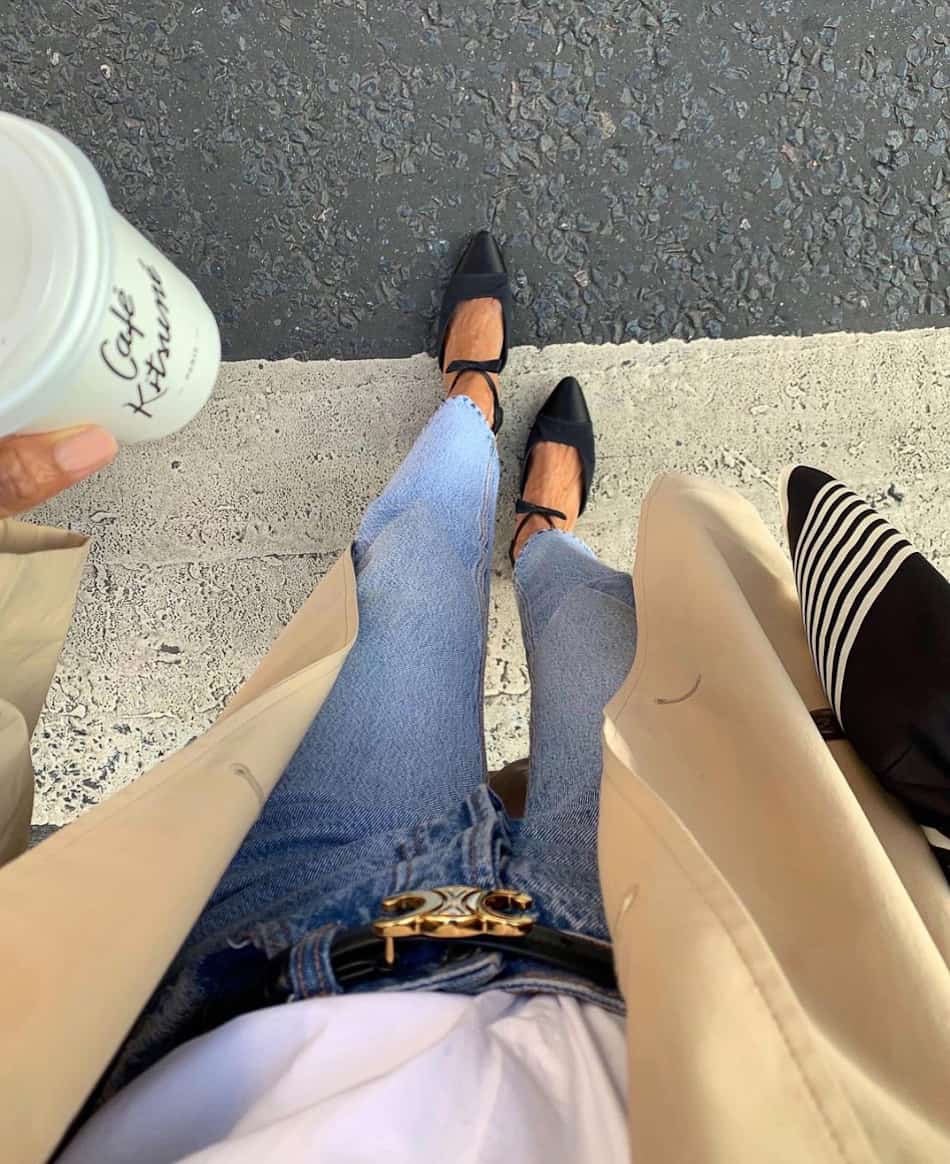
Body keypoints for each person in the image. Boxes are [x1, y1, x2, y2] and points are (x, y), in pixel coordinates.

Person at [0, 233, 948, 1164]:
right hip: (677, 962)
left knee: (408, 564)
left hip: (265, 952)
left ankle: (470, 406)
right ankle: (541, 541)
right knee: (606, 624)